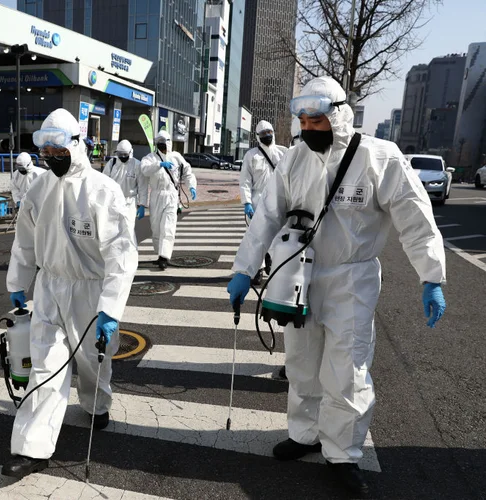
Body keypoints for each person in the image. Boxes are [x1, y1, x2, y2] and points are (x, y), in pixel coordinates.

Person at [227, 76, 447, 495]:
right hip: (299, 275)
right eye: (304, 121)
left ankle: (343, 453)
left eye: (317, 120)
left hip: (352, 278)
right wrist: (244, 267)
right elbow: (267, 217)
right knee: (302, 362)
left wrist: (431, 275)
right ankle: (304, 432)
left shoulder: (379, 157)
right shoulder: (293, 160)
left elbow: (415, 219)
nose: (309, 129)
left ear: (338, 116)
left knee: (346, 369)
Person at [3, 108, 138, 479]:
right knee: (45, 363)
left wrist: (110, 310)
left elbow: (122, 255)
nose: (52, 158)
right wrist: (18, 282)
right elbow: (24, 242)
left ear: (78, 146)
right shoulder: (39, 188)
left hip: (90, 291)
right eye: (46, 152)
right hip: (49, 288)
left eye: (59, 151)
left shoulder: (102, 191)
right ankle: (31, 446)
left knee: (93, 361)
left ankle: (97, 403)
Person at [140, 130, 197, 270]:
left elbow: (187, 173)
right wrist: (159, 165)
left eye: (164, 144)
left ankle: (164, 257)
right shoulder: (150, 158)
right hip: (156, 195)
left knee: (168, 227)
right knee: (156, 228)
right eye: (160, 144)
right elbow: (144, 170)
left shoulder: (177, 157)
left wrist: (192, 187)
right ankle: (159, 252)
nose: (163, 147)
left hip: (171, 195)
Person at [241, 120, 288, 285]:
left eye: (269, 132)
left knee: (278, 236)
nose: (267, 135)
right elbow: (245, 181)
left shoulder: (283, 153)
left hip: (278, 199)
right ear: (257, 136)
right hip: (257, 200)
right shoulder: (251, 155)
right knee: (256, 236)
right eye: (263, 133)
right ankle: (258, 269)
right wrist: (247, 202)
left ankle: (273, 263)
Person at [102, 139, 148, 228]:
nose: (122, 156)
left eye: (125, 154)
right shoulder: (112, 164)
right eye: (120, 154)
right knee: (112, 229)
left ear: (130, 153)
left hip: (129, 202)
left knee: (128, 229)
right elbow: (103, 182)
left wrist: (142, 204)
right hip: (113, 202)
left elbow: (142, 186)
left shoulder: (137, 165)